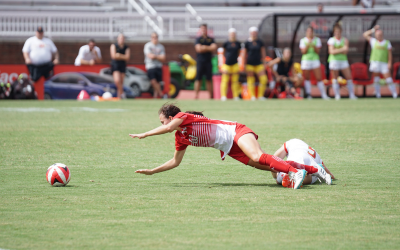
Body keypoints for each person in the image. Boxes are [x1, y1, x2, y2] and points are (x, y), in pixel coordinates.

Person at [129, 103, 332, 190]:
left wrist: (145, 134)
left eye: (163, 121)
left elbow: (167, 129)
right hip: (230, 147)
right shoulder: (180, 138)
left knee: (258, 156)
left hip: (235, 132)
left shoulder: (183, 117)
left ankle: (296, 173)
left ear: (171, 118)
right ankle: (316, 170)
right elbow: (175, 162)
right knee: (267, 164)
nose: (163, 125)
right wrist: (152, 172)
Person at [363, 25, 397, 98]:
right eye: (377, 35)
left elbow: (390, 54)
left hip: (384, 63)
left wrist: (389, 63)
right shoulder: (373, 41)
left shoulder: (387, 42)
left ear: (382, 35)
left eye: (380, 35)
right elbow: (365, 34)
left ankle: (394, 94)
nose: (379, 36)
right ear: (375, 35)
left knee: (388, 79)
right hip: (375, 63)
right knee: (376, 79)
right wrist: (373, 29)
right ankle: (378, 94)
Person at [327, 25, 357, 100]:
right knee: (335, 78)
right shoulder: (331, 40)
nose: (337, 33)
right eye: (336, 32)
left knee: (349, 77)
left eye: (338, 31)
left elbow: (346, 51)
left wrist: (337, 50)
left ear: (341, 32)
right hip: (334, 61)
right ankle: (337, 95)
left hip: (343, 61)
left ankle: (352, 95)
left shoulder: (345, 40)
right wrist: (341, 49)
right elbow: (331, 51)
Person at [300, 26, 329, 99]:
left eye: (311, 31)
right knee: (307, 78)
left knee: (319, 78)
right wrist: (307, 44)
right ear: (306, 32)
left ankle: (323, 95)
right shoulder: (303, 40)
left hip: (315, 60)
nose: (310, 33)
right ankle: (309, 94)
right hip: (306, 60)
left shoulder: (317, 40)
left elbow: (318, 51)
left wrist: (312, 44)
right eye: (308, 31)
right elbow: (303, 52)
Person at [244, 27, 268, 101]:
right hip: (249, 64)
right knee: (251, 80)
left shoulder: (260, 42)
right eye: (252, 32)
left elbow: (263, 53)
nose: (254, 34)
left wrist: (264, 62)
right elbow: (244, 54)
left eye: (255, 32)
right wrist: (244, 64)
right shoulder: (247, 43)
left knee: (264, 79)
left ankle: (260, 96)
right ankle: (252, 96)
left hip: (258, 64)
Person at [194, 24, 217, 99]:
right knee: (198, 79)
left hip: (208, 62)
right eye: (202, 29)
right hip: (200, 62)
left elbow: (214, 47)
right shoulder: (198, 39)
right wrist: (208, 48)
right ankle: (196, 96)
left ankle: (210, 96)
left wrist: (204, 47)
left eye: (205, 28)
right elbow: (198, 49)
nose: (204, 30)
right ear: (200, 30)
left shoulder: (211, 39)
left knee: (208, 79)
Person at [220, 28, 242, 101]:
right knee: (225, 81)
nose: (232, 35)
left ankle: (236, 96)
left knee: (235, 81)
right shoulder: (226, 43)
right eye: (231, 34)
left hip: (235, 64)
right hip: (227, 64)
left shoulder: (238, 43)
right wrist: (222, 66)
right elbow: (223, 54)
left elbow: (239, 53)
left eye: (234, 33)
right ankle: (223, 96)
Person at [144, 32, 166, 99]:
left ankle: (155, 96)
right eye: (153, 37)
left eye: (156, 37)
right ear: (151, 38)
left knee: (158, 82)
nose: (155, 38)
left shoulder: (161, 46)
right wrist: (158, 56)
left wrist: (155, 56)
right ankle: (161, 94)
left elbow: (163, 58)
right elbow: (150, 56)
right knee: (153, 81)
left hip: (158, 66)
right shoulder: (148, 45)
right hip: (150, 66)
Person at [110, 33, 130, 98]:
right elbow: (113, 56)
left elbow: (127, 57)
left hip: (122, 65)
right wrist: (122, 56)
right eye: (120, 38)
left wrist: (119, 55)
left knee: (121, 82)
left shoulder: (126, 47)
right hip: (115, 65)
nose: (122, 39)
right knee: (117, 81)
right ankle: (122, 93)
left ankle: (119, 97)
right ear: (118, 38)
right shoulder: (114, 45)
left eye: (123, 38)